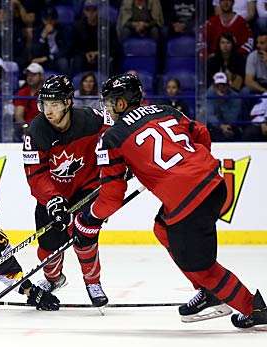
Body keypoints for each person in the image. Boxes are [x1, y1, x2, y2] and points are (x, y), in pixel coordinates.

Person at [79, 73, 267, 328]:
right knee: (162, 228)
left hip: (187, 202)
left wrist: (89, 217)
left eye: (111, 102)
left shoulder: (111, 138)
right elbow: (200, 133)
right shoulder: (165, 110)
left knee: (203, 268)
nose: (108, 109)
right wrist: (187, 168)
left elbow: (111, 198)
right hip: (215, 183)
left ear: (122, 103)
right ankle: (208, 291)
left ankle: (254, 309)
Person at [21, 74, 110, 308]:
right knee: (48, 246)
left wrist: (122, 164)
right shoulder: (36, 131)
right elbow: (35, 174)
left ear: (68, 102)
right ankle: (54, 278)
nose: (48, 111)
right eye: (45, 104)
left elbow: (119, 136)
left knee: (84, 239)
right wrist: (52, 200)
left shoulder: (92, 120)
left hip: (86, 189)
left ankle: (93, 282)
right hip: (52, 195)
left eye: (55, 104)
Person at [207, 72, 243, 141]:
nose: (221, 88)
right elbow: (209, 115)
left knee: (235, 132)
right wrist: (221, 126)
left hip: (230, 125)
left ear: (228, 85)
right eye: (218, 85)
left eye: (223, 85)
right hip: (216, 126)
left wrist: (223, 101)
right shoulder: (209, 94)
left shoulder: (235, 97)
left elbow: (232, 117)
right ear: (213, 86)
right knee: (210, 129)